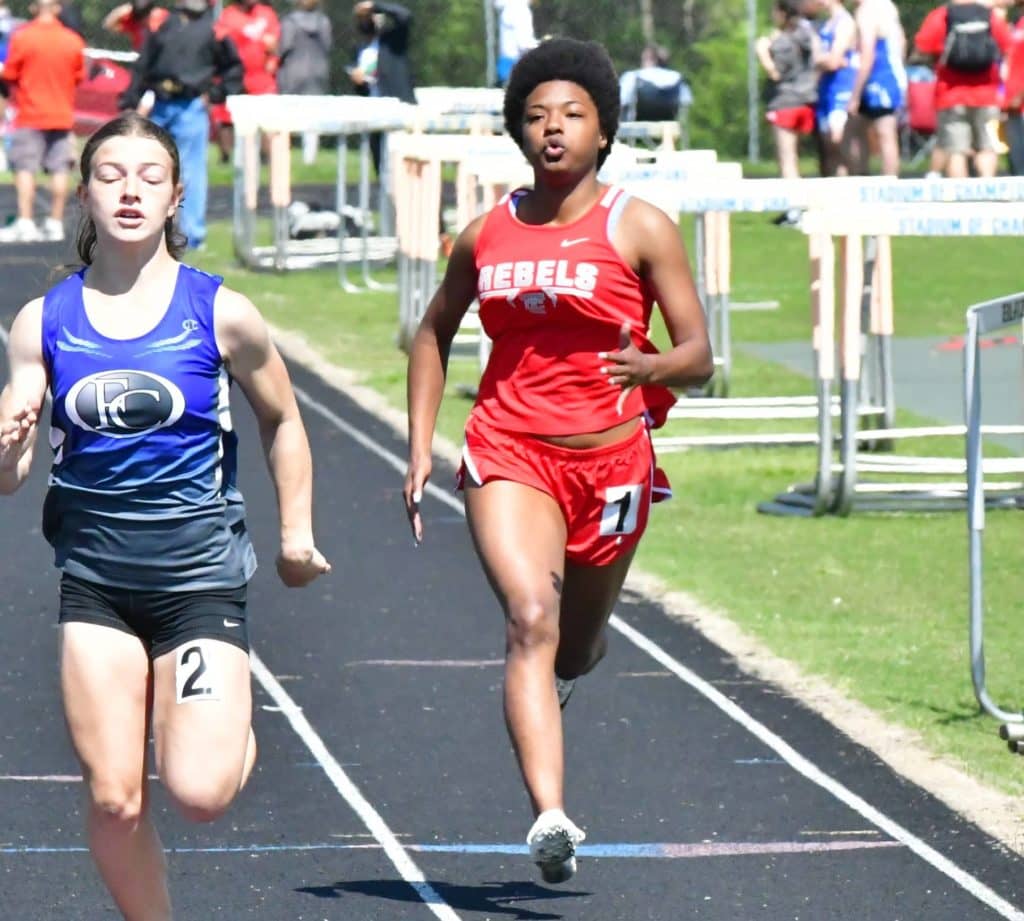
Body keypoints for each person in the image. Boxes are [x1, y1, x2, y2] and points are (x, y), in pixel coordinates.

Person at [0, 112, 330, 920]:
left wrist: (296, 534)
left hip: (199, 583)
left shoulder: (221, 313)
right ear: (84, 195)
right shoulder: (43, 323)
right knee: (115, 799)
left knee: (200, 793)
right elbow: (10, 479)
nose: (130, 192)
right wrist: (7, 436)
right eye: (111, 176)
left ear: (177, 196)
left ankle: (227, 729)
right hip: (98, 586)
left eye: (149, 177)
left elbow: (283, 420)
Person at [403, 37, 713, 885]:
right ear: (517, 133)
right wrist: (418, 447)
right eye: (536, 115)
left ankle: (572, 666)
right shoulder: (485, 233)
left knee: (574, 645)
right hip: (508, 449)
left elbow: (700, 354)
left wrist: (653, 367)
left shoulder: (640, 225)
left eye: (572, 114)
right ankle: (550, 815)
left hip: (611, 463)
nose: (553, 128)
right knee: (529, 620)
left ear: (604, 131)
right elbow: (432, 332)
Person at [119, 0, 243, 249]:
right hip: (162, 103)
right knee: (152, 168)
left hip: (190, 104)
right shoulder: (163, 25)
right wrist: (131, 97)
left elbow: (233, 68)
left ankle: (193, 235)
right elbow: (144, 64)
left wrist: (218, 92)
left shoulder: (215, 30)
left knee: (192, 170)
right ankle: (151, 227)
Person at [0, 0, 85, 244]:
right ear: (57, 8)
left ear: (34, 8)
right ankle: (55, 222)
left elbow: (11, 74)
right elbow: (78, 76)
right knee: (60, 169)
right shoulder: (73, 40)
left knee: (25, 168)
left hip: (30, 114)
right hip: (62, 114)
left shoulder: (23, 38)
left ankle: (26, 222)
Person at [913, 0, 1012, 178]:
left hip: (950, 94)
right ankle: (987, 191)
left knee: (956, 149)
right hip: (988, 94)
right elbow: (1007, 46)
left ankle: (961, 199)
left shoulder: (941, 16)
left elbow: (923, 47)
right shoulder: (989, 16)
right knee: (988, 146)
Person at [756, 0, 819, 220]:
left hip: (785, 103)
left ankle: (794, 210)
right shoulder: (807, 34)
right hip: (805, 101)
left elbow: (776, 74)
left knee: (787, 159)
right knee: (794, 157)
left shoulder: (782, 42)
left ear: (782, 13)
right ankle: (797, 205)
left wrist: (763, 53)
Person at [348, 1, 415, 176]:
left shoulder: (393, 42)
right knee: (380, 165)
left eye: (369, 16)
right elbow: (362, 89)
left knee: (403, 166)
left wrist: (374, 5)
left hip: (397, 110)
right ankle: (386, 201)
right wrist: (358, 82)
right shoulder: (359, 49)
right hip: (374, 113)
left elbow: (405, 15)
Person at [212, 0, 281, 164]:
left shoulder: (266, 14)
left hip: (260, 75)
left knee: (267, 117)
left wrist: (273, 55)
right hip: (235, 74)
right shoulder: (228, 15)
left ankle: (266, 158)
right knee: (226, 115)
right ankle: (226, 157)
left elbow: (275, 43)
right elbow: (220, 43)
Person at [843, 0, 907, 175]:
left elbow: (867, 53)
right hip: (889, 75)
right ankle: (862, 178)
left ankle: (887, 185)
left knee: (884, 133)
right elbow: (902, 43)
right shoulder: (887, 6)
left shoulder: (867, 11)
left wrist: (855, 94)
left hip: (879, 78)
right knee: (856, 131)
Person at [277, 0, 333, 165]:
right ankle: (310, 157)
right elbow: (328, 46)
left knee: (288, 116)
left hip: (293, 72)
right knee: (312, 118)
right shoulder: (323, 21)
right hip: (317, 72)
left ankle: (283, 154)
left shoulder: (289, 22)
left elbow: (284, 47)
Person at [811, 0, 858, 175]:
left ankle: (855, 181)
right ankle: (835, 186)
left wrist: (820, 59)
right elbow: (825, 59)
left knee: (838, 140)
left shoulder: (845, 22)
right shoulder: (824, 24)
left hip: (842, 87)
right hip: (825, 88)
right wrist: (823, 59)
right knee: (827, 146)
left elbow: (833, 60)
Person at [618, 43, 693, 123]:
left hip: (638, 127)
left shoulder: (634, 76)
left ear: (648, 59)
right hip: (669, 126)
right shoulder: (677, 77)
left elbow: (621, 101)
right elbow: (686, 101)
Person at [494, 0, 536, 88]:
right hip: (517, 68)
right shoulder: (520, 10)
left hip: (507, 66)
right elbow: (524, 43)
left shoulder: (508, 9)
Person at [103, 0, 171, 52]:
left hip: (160, 58)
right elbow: (108, 25)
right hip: (142, 59)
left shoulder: (162, 15)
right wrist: (119, 11)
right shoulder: (133, 19)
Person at [1004, 0, 1024, 174]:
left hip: (1020, 100)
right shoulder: (1018, 22)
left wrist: (1020, 94)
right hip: (1012, 103)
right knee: (1017, 162)